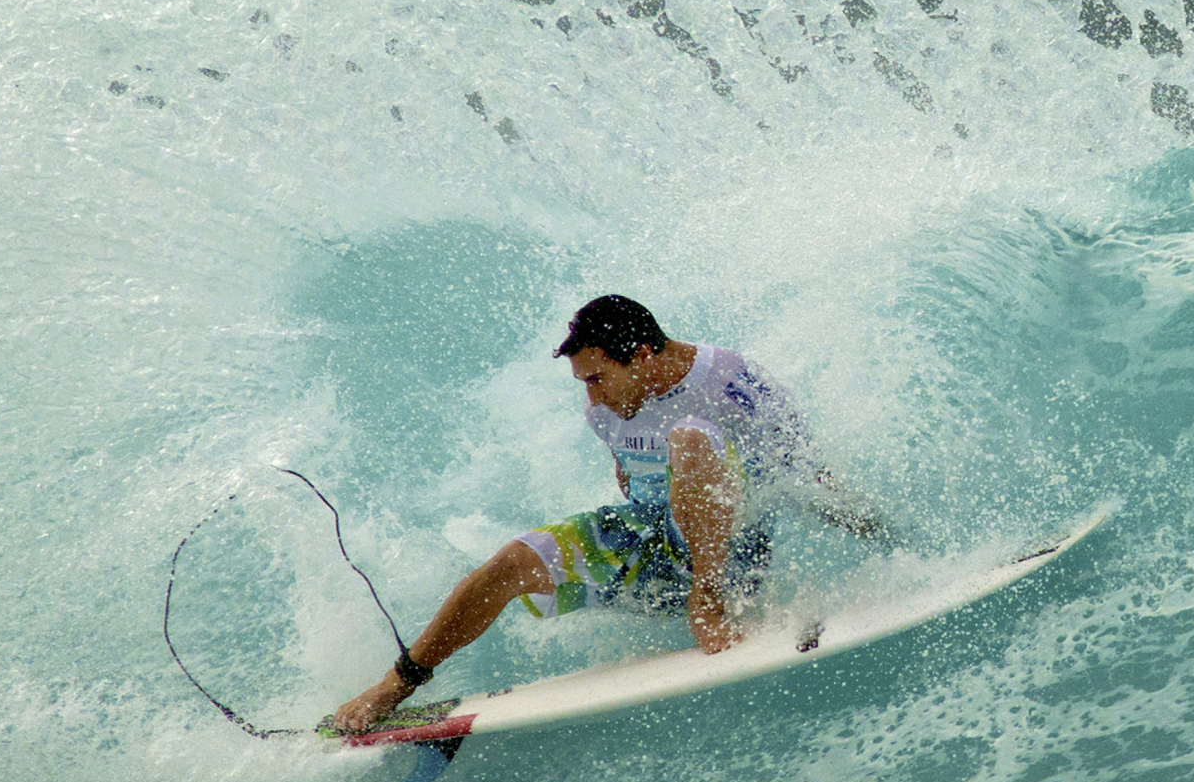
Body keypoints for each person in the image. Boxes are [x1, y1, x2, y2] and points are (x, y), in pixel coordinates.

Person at [332, 294, 880, 733]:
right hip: (652, 547)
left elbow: (809, 470)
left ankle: (707, 599)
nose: (591, 398)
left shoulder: (728, 381)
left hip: (732, 561)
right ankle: (396, 685)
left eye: (596, 379)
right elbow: (628, 475)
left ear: (642, 354)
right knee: (510, 563)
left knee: (689, 439)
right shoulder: (605, 405)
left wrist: (879, 534)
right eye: (582, 383)